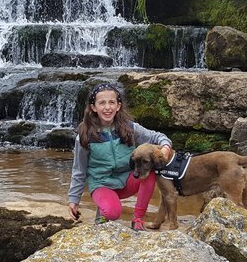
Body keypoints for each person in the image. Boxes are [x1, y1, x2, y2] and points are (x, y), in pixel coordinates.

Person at [66, 82, 172, 231]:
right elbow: (79, 170)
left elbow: (157, 137)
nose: (107, 107)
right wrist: (74, 200)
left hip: (128, 180)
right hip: (101, 184)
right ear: (93, 107)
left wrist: (166, 147)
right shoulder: (85, 136)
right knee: (113, 213)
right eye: (102, 103)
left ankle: (138, 219)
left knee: (149, 173)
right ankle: (104, 211)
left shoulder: (130, 128)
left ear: (118, 106)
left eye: (112, 102)